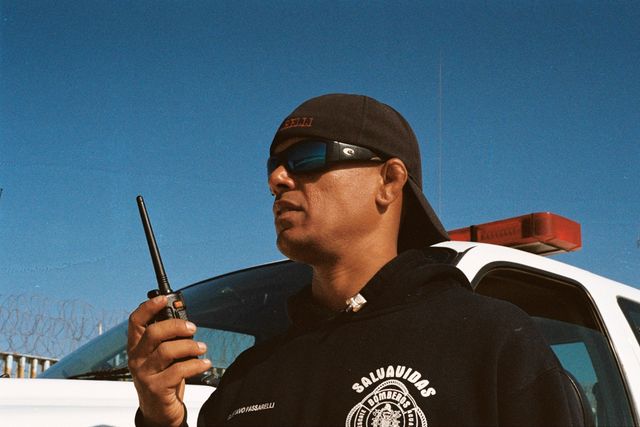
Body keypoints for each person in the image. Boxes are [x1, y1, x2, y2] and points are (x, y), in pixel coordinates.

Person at [128, 93, 583, 426]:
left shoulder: (492, 341)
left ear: (389, 181)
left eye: (307, 157)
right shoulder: (249, 376)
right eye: (273, 166)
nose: (277, 179)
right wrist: (161, 418)